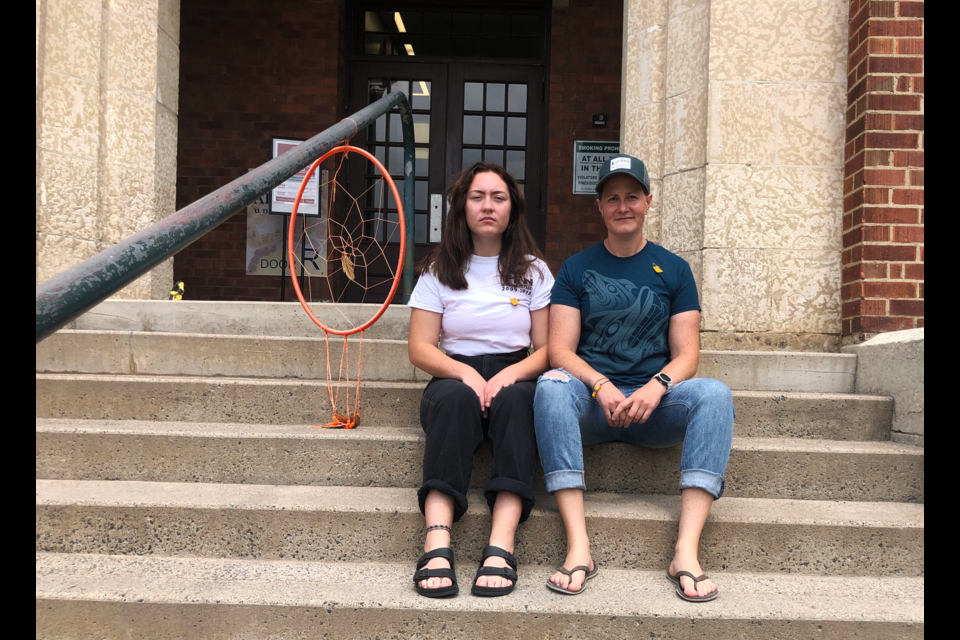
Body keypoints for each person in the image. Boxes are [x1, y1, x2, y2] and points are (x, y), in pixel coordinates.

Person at [533, 154, 734, 602]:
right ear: (600, 208)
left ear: (648, 201)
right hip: (592, 407)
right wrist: (600, 385)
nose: (623, 206)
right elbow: (560, 350)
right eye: (612, 199)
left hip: (654, 409)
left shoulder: (675, 270)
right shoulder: (576, 268)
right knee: (549, 386)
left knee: (715, 395)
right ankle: (578, 546)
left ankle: (685, 551)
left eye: (632, 197)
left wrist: (656, 386)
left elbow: (688, 356)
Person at [407, 162, 555, 598]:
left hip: (516, 371)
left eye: (498, 197)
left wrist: (510, 373)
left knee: (520, 401)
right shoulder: (437, 270)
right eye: (477, 197)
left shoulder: (534, 271)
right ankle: (437, 539)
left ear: (513, 209)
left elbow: (549, 350)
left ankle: (501, 541)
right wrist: (466, 373)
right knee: (453, 400)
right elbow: (420, 349)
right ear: (461, 207)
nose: (487, 205)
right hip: (453, 374)